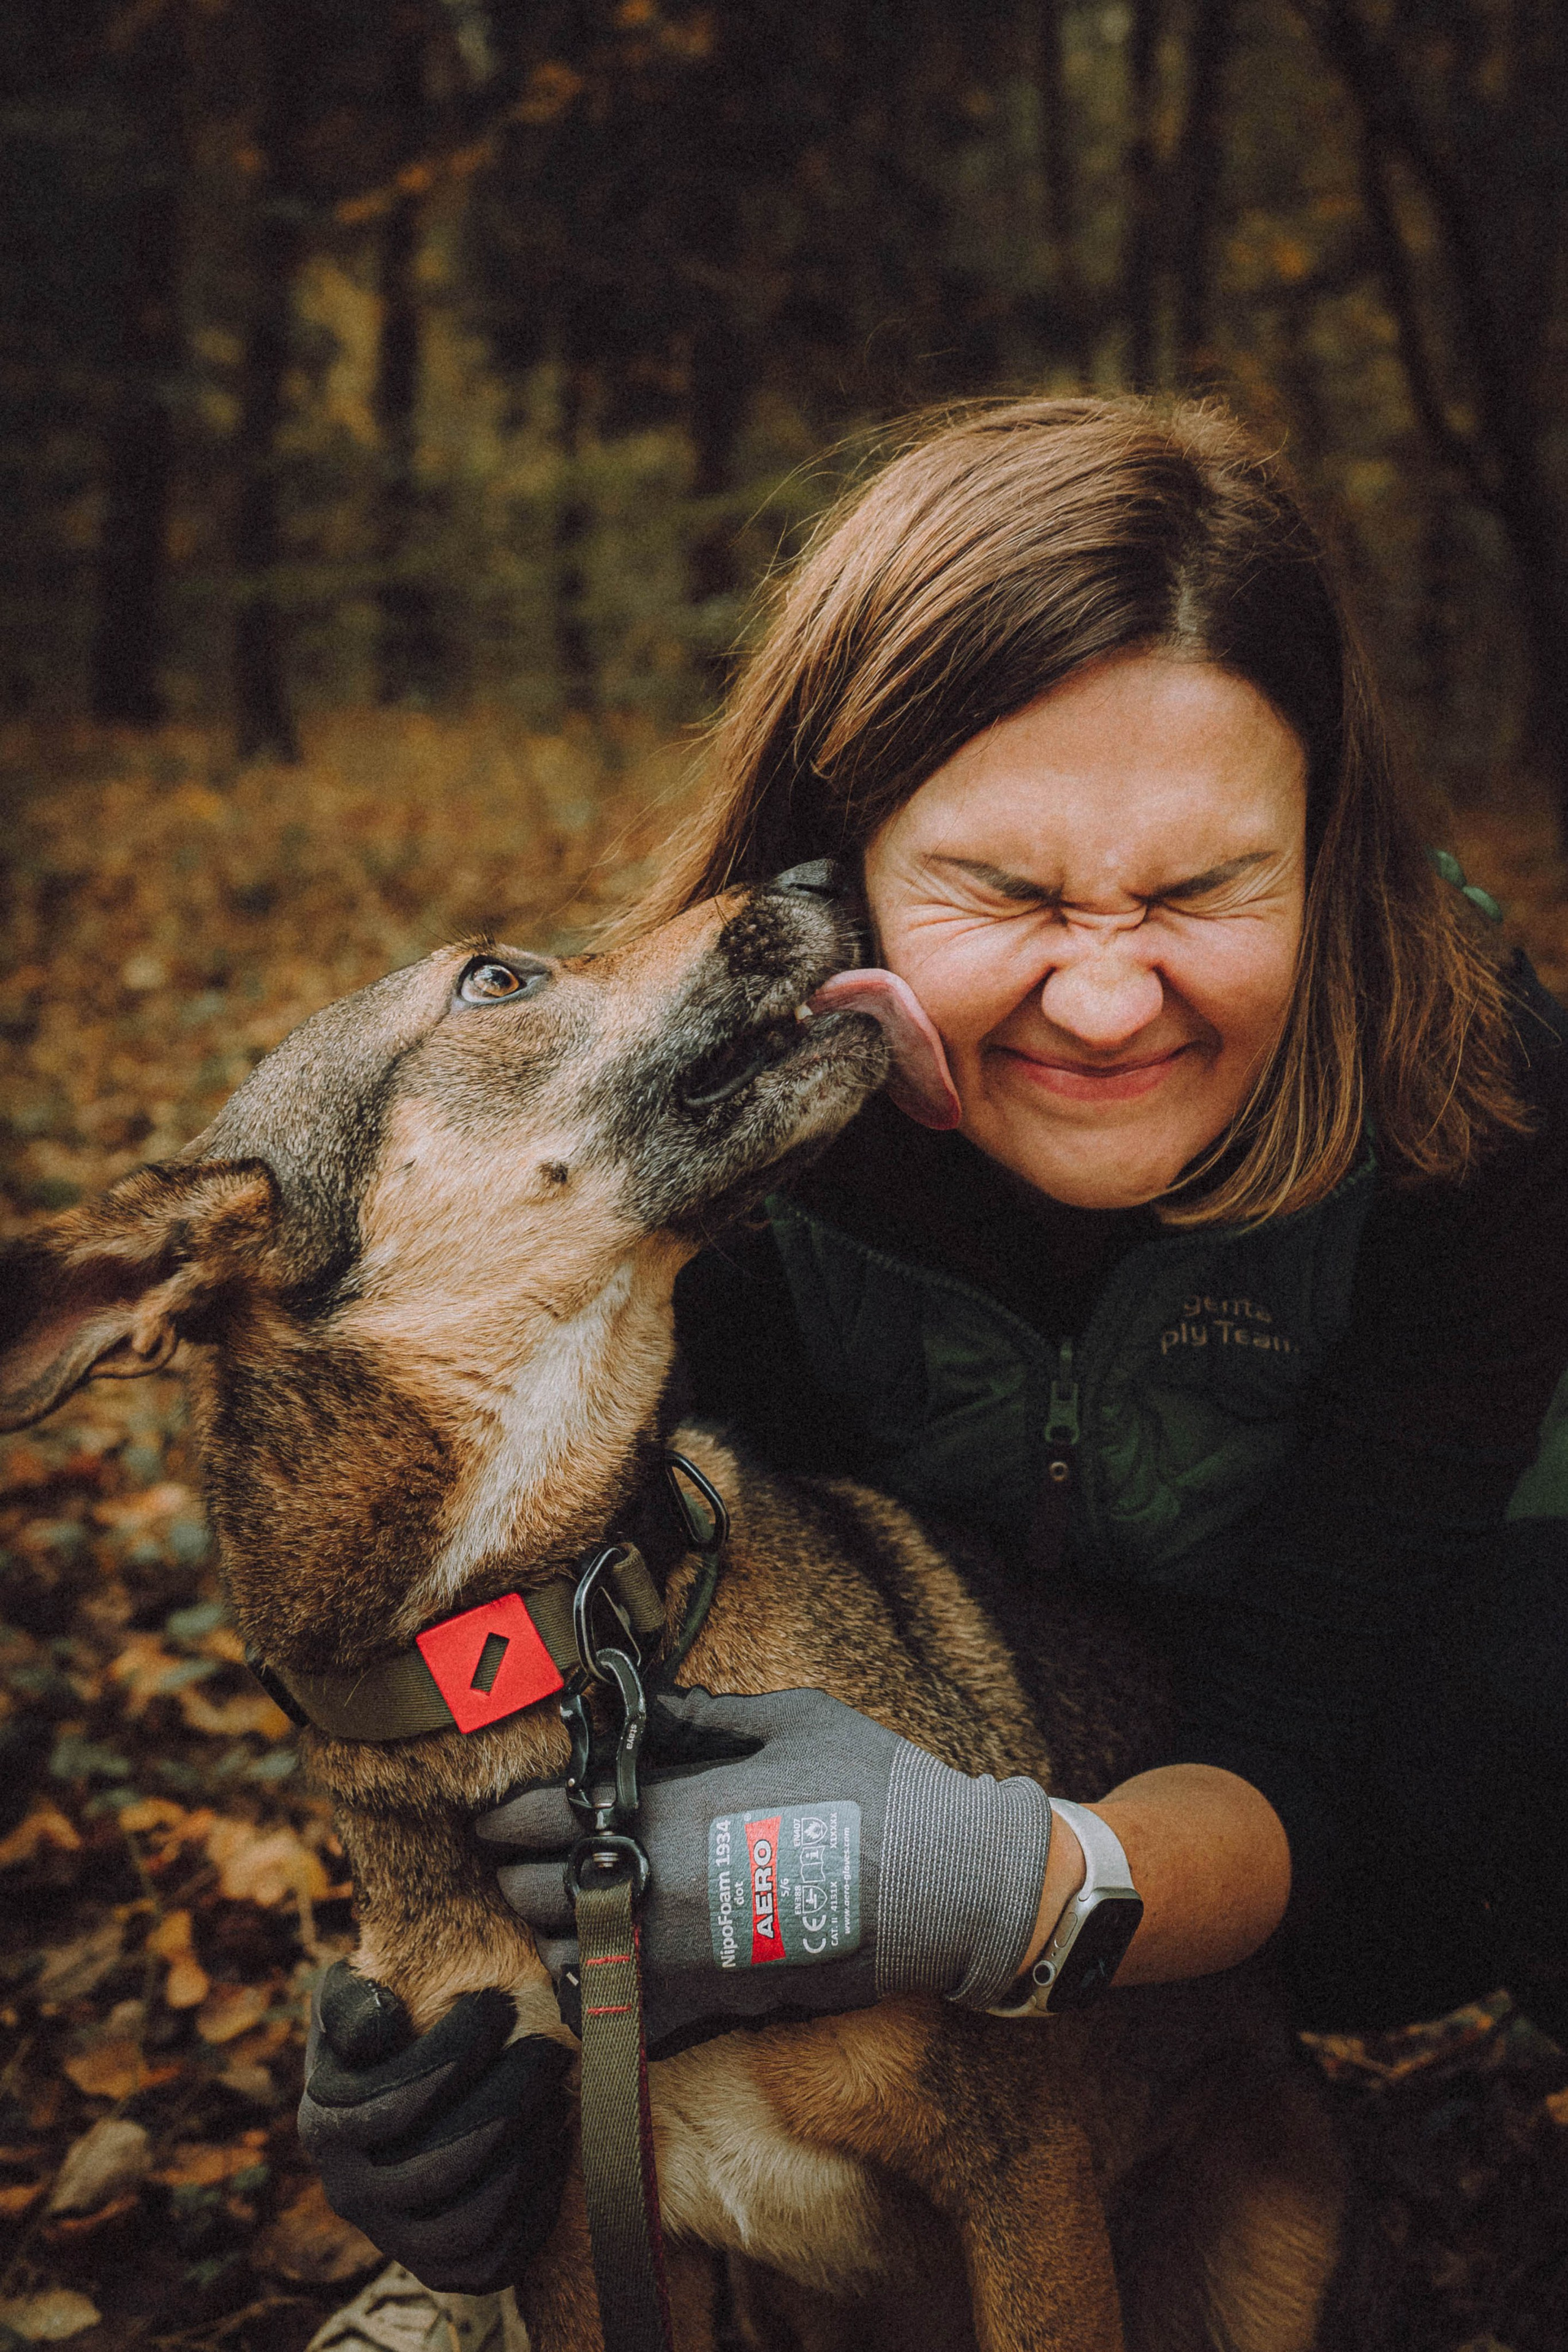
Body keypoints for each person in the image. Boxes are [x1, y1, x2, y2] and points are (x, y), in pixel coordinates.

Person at [298, 396, 1568, 2304]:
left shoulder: (1470, 1089)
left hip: (1396, 1802)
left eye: (1204, 886)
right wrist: (437, 2031)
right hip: (950, 1742)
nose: (1110, 991)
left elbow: (1298, 1731)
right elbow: (506, 1641)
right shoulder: (699, 1161)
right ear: (847, 863)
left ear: (1329, 847)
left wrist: (1004, 1887)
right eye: (1013, 891)